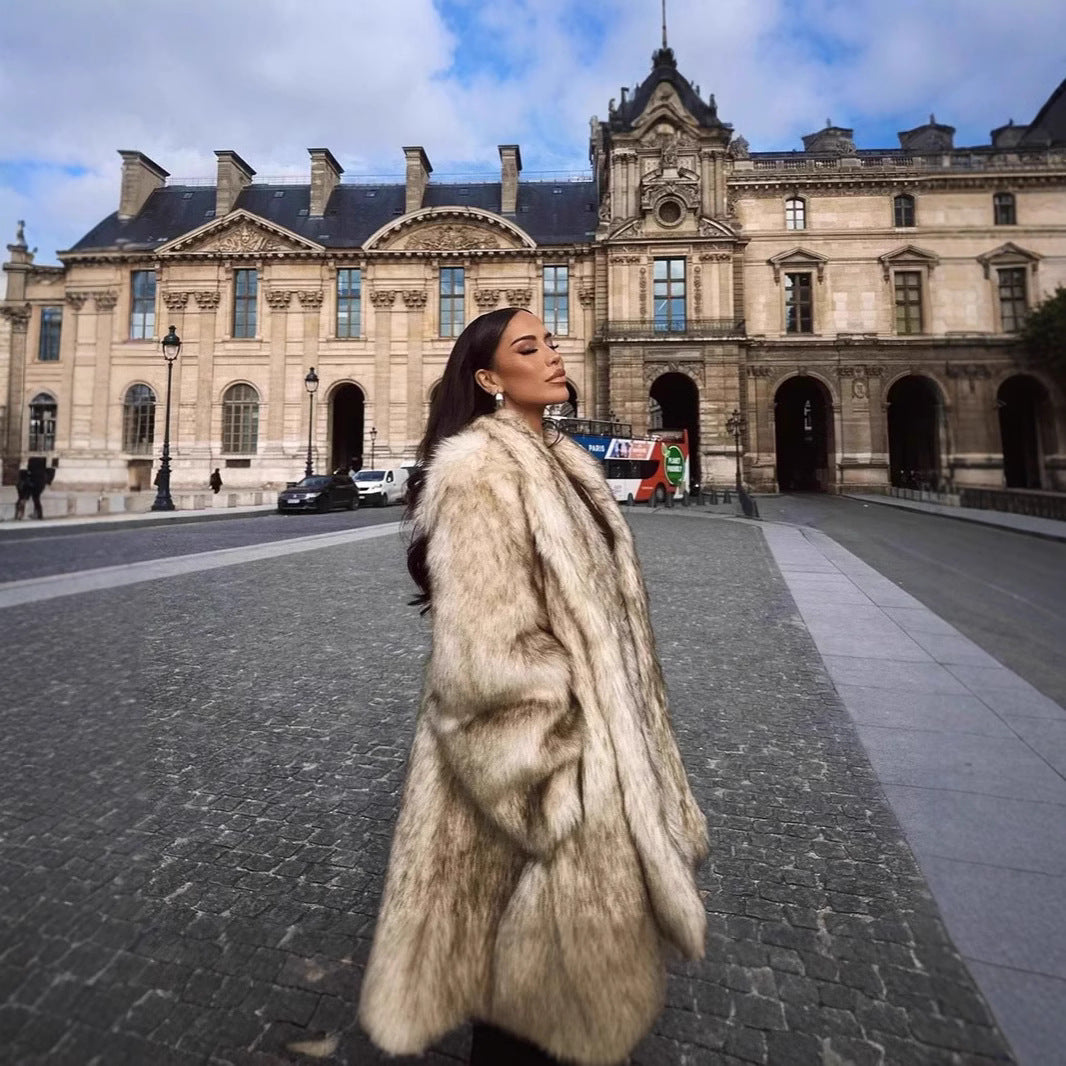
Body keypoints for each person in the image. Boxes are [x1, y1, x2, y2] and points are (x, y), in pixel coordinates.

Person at [359, 308, 708, 1066]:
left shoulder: (561, 458)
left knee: (536, 1001)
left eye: (550, 340)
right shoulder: (480, 472)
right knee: (523, 1009)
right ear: (489, 378)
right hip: (544, 787)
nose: (553, 354)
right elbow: (487, 664)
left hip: (594, 758)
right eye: (529, 347)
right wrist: (555, 795)